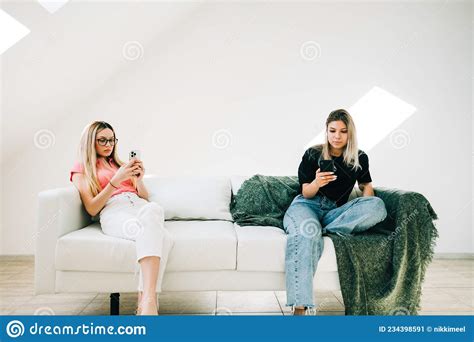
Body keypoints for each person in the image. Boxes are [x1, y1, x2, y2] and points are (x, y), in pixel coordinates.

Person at [283, 109, 387, 315]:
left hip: (335, 212)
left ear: (350, 134)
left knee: (377, 205)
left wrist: (365, 206)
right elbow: (306, 192)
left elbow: (366, 185)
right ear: (327, 131)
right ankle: (300, 308)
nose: (337, 136)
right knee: (305, 232)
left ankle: (321, 229)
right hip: (307, 205)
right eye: (332, 130)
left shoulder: (359, 157)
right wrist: (316, 182)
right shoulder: (313, 154)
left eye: (343, 131)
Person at [69, 120, 173, 315]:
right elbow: (92, 208)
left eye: (112, 140)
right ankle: (149, 302)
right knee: (163, 238)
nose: (109, 145)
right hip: (114, 209)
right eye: (103, 140)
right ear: (90, 141)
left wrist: (139, 180)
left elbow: (144, 197)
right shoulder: (82, 168)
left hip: (140, 206)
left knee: (154, 209)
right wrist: (115, 181)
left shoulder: (120, 164)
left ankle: (146, 301)